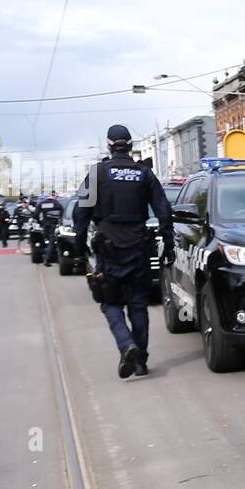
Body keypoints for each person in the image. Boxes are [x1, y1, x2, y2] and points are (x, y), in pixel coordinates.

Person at [72, 125, 175, 379]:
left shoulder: (97, 173)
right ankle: (140, 361)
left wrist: (79, 249)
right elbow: (164, 210)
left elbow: (80, 213)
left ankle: (126, 344)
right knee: (138, 306)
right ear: (130, 146)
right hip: (138, 246)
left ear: (109, 145)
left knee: (110, 303)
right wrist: (168, 243)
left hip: (109, 249)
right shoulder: (144, 173)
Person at [35, 191, 63, 266]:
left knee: (48, 241)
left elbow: (36, 214)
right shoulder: (57, 203)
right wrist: (59, 222)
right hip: (53, 225)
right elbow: (62, 213)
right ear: (54, 196)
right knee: (51, 242)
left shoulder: (41, 203)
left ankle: (46, 254)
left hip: (45, 225)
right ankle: (46, 259)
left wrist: (40, 222)